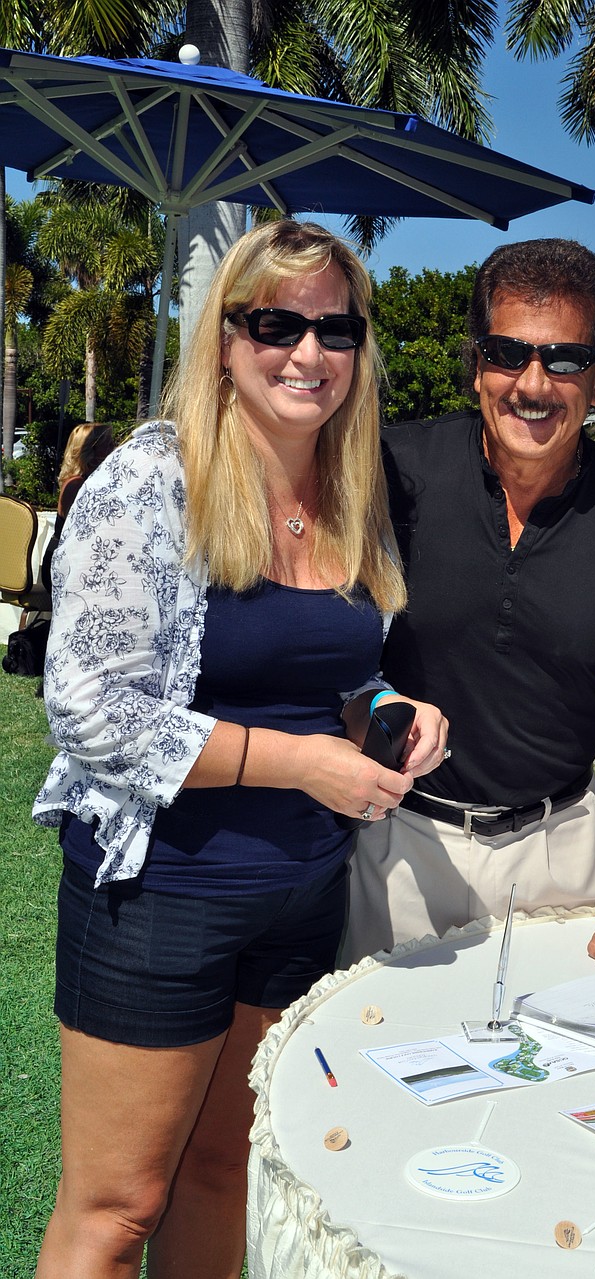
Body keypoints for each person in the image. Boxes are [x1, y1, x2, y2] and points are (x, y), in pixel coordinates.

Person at [31, 219, 448, 1279]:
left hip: (301, 896)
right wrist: (302, 763)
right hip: (161, 894)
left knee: (227, 1170)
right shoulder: (150, 480)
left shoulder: (352, 491)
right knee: (116, 1209)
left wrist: (389, 707)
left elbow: (330, 673)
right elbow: (90, 710)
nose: (307, 353)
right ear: (223, 339)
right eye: (276, 323)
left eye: (333, 329)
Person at [342, 237, 595, 978]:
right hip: (403, 844)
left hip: (563, 854)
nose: (532, 383)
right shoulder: (390, 472)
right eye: (508, 352)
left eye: (565, 359)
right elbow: (324, 649)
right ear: (477, 365)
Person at [41, 422, 116, 594]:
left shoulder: (89, 482)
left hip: (77, 561)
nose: (115, 448)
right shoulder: (76, 485)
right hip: (62, 566)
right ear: (92, 452)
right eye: (109, 445)